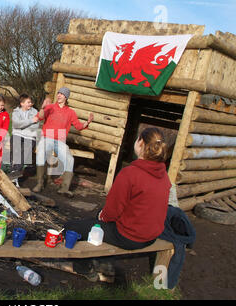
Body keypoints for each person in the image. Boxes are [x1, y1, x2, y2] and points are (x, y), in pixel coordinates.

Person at [64, 127, 171, 279]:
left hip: (130, 236)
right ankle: (101, 260)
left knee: (72, 227)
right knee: (96, 221)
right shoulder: (163, 175)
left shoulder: (130, 173)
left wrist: (101, 216)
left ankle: (85, 267)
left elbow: (112, 212)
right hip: (151, 235)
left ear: (140, 143)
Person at [32, 87, 94, 197]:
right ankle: (39, 183)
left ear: (66, 97)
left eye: (62, 94)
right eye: (58, 93)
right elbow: (40, 117)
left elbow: (78, 126)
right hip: (47, 137)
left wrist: (87, 123)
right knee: (40, 154)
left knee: (70, 159)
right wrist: (42, 108)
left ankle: (64, 188)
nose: (59, 95)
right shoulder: (50, 107)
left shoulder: (70, 112)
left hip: (60, 141)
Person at [10, 93, 40, 172]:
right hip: (17, 135)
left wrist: (22, 124)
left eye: (31, 102)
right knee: (15, 155)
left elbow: (35, 126)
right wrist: (30, 121)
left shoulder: (35, 112)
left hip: (30, 137)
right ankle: (13, 174)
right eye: (28, 102)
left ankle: (14, 174)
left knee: (22, 157)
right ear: (22, 103)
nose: (31, 104)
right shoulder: (15, 112)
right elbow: (16, 124)